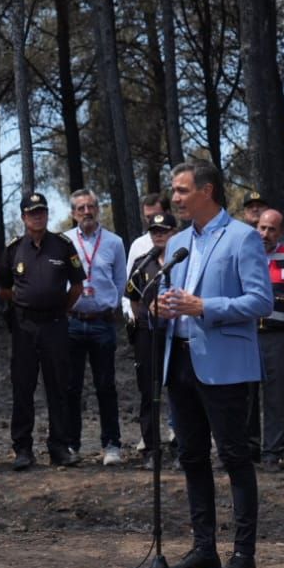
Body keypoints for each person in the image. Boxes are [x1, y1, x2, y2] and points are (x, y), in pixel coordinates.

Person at [156, 159, 273, 568]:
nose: (176, 197)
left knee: (234, 457)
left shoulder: (242, 238)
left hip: (224, 364)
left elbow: (261, 301)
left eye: (183, 190)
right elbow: (173, 296)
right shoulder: (178, 242)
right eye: (174, 190)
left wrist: (206, 307)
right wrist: (162, 306)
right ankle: (204, 548)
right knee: (190, 456)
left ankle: (243, 555)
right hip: (180, 358)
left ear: (207, 192)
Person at [0, 192, 86, 470]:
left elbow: (76, 286)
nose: (38, 216)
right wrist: (26, 305)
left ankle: (59, 447)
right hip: (24, 326)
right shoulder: (14, 249)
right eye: (32, 212)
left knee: (58, 386)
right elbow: (3, 289)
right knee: (22, 387)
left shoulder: (63, 246)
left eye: (42, 212)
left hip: (55, 325)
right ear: (24, 217)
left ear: (47, 215)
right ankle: (23, 449)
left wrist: (61, 308)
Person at [65, 188, 128, 466]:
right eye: (81, 208)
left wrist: (114, 307)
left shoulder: (114, 242)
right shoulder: (64, 241)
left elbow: (121, 281)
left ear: (98, 209)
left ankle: (112, 444)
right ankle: (70, 445)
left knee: (106, 386)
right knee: (71, 386)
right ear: (73, 213)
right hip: (73, 323)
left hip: (102, 322)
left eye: (91, 206)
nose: (87, 212)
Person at [248, 208, 284, 470]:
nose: (265, 234)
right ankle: (250, 447)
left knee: (277, 394)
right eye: (262, 228)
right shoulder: (246, 257)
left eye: (272, 229)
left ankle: (275, 449)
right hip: (248, 335)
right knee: (247, 392)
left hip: (279, 335)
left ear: (281, 233)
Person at [124, 194, 177, 468]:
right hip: (148, 333)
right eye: (154, 231)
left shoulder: (183, 259)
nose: (158, 236)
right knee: (149, 391)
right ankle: (152, 449)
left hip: (178, 333)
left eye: (164, 231)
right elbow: (131, 295)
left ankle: (181, 447)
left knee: (179, 390)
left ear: (174, 232)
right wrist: (143, 317)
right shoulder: (142, 262)